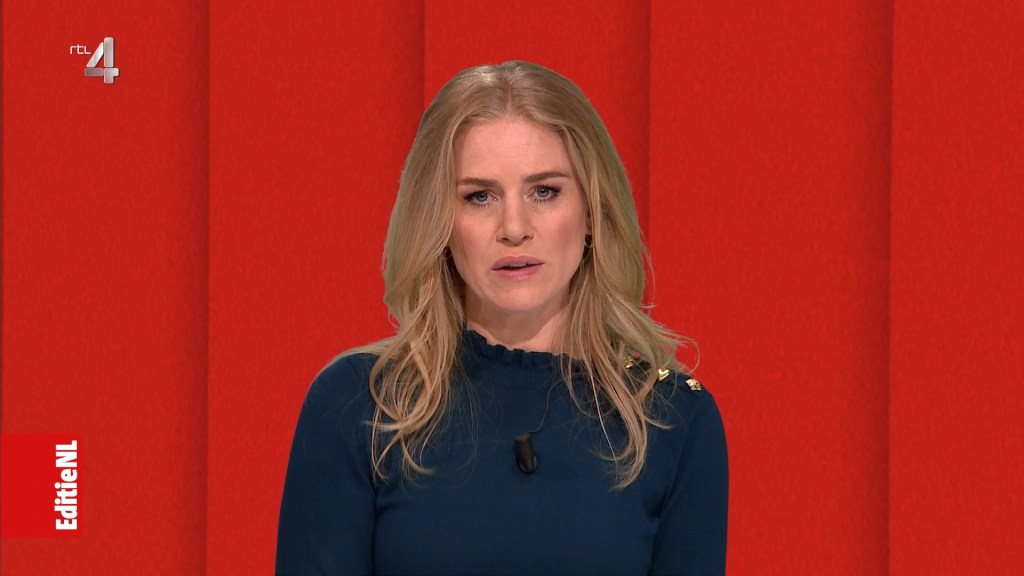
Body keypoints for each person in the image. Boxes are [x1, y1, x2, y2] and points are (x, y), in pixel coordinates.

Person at [276, 60, 728, 576]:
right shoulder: (358, 403)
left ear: (592, 213)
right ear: (441, 223)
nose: (514, 227)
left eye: (544, 191)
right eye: (480, 197)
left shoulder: (673, 417)